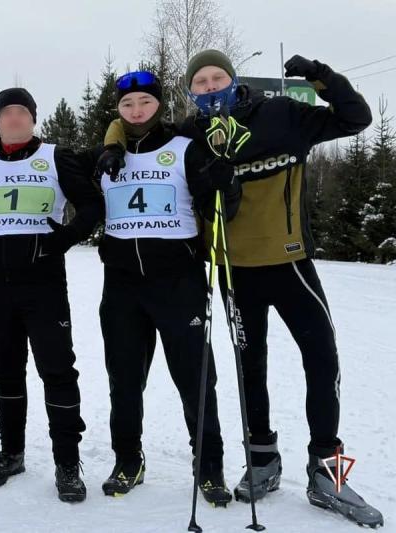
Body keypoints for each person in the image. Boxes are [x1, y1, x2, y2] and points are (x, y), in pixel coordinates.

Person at [176, 49, 382, 526]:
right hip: (234, 270)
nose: (210, 87)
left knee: (322, 360)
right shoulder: (189, 135)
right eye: (200, 82)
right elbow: (132, 130)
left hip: (289, 263)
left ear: (233, 79)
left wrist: (321, 75)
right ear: (190, 91)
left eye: (217, 77)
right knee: (250, 369)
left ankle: (327, 474)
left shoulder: (282, 114)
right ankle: (262, 459)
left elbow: (355, 118)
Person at [0, 88, 103, 503]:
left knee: (57, 371)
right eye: (7, 112)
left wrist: (67, 238)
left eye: (22, 112)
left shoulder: (55, 156)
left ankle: (67, 463)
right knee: (5, 370)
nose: (14, 118)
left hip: (44, 285)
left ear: (33, 119)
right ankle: (12, 453)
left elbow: (93, 205)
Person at [97, 71, 239, 505]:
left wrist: (226, 182)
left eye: (145, 102)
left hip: (178, 283)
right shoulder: (104, 156)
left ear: (158, 105)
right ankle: (128, 460)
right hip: (122, 286)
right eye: (127, 104)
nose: (137, 110)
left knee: (195, 379)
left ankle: (209, 466)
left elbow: (220, 207)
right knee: (124, 379)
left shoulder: (184, 148)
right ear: (118, 111)